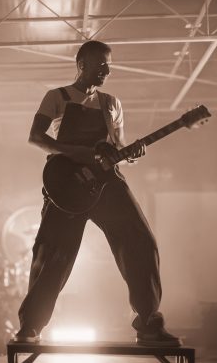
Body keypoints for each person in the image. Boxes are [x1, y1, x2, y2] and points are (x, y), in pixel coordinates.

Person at [15, 40, 181, 346]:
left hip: (107, 183)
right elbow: (36, 137)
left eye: (109, 65)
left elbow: (118, 148)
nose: (107, 70)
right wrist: (79, 153)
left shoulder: (112, 104)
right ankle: (30, 327)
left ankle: (148, 322)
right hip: (67, 183)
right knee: (53, 253)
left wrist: (131, 153)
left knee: (140, 241)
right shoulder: (57, 97)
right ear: (82, 65)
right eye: (101, 65)